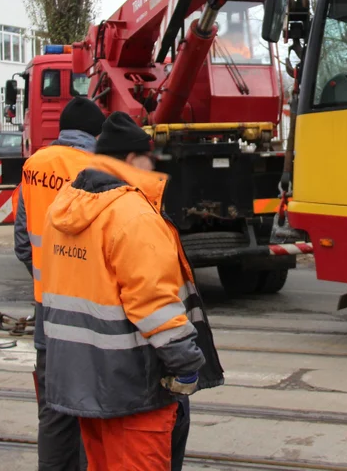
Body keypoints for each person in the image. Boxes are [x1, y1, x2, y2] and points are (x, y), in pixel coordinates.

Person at [40, 111, 224, 471]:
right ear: (130, 159)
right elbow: (153, 302)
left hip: (82, 381)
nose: (152, 164)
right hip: (133, 386)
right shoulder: (132, 214)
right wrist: (187, 363)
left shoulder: (62, 207)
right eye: (147, 156)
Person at [14, 96, 105, 471]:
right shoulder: (97, 169)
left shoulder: (34, 165)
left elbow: (23, 241)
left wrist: (47, 279)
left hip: (46, 311)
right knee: (91, 411)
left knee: (53, 412)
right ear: (94, 134)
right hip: (89, 314)